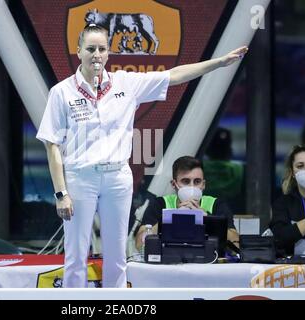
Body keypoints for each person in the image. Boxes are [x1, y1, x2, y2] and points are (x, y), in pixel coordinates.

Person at [36, 24, 248, 288]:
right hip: (80, 178)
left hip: (117, 178)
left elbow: (174, 75)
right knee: (76, 256)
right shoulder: (61, 92)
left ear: (109, 53)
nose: (96, 55)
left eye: (102, 49)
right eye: (90, 49)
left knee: (117, 257)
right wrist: (60, 193)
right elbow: (52, 145)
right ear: (78, 51)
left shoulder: (126, 83)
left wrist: (218, 63)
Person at [135, 156, 239, 252]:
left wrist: (208, 220)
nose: (192, 186)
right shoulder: (160, 204)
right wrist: (170, 218)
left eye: (197, 181)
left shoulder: (216, 205)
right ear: (174, 184)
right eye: (186, 181)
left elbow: (236, 242)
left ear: (203, 185)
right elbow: (140, 244)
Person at [203, 127, 245, 213]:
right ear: (230, 150)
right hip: (233, 213)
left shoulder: (197, 168)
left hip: (206, 211)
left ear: (207, 149)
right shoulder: (241, 170)